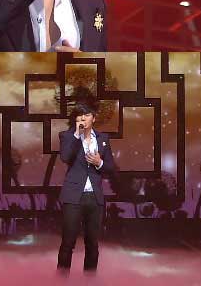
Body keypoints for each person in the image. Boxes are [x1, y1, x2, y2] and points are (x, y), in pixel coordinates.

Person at [57, 93, 117, 273]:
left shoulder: (103, 139)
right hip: (73, 197)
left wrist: (99, 162)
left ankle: (90, 280)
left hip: (95, 198)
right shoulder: (67, 136)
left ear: (94, 118)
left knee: (92, 244)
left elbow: (111, 167)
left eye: (86, 114)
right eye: (79, 115)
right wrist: (77, 134)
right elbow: (65, 157)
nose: (82, 118)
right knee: (68, 243)